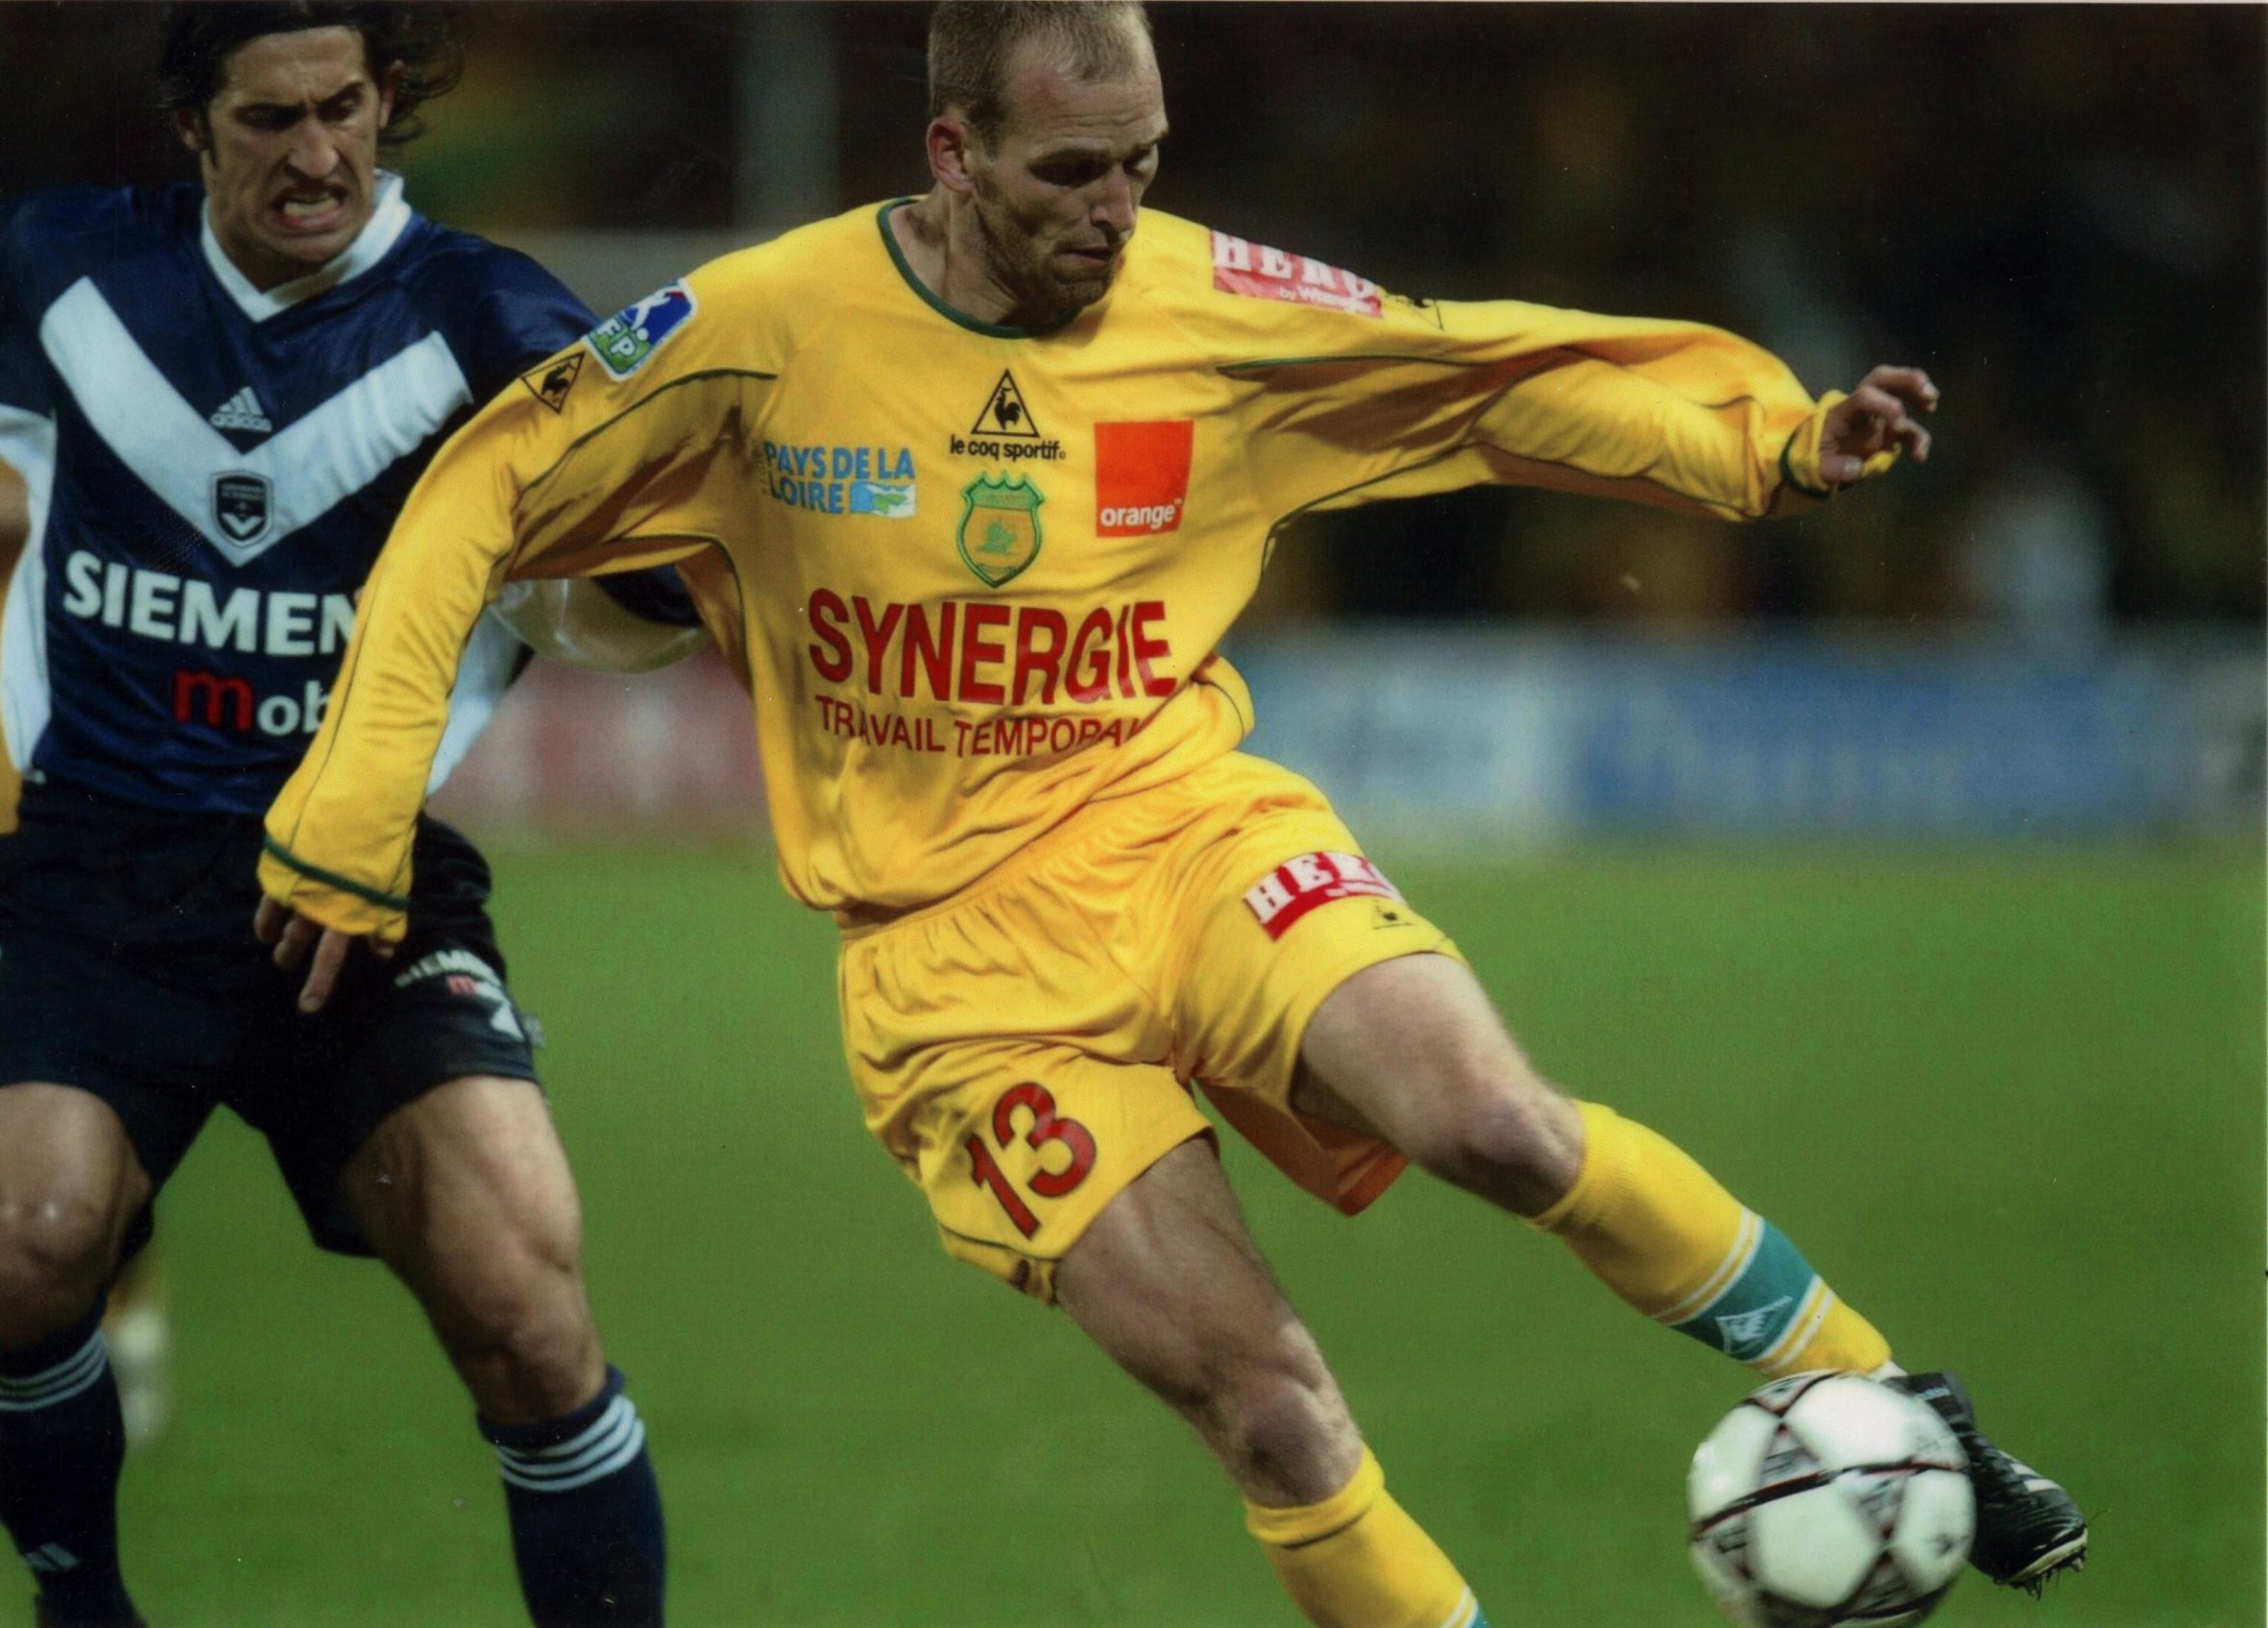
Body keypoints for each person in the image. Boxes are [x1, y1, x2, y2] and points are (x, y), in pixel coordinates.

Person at [255, 4, 2089, 1622]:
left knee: (1496, 1125)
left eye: (1140, 161)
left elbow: (1478, 382)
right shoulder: (760, 331)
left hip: (1182, 823)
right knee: (1272, 1412)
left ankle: (1901, 1409)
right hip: (954, 974)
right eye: (1070, 169)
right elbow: (484, 486)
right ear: (952, 153)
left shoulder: (1207, 305)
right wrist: (353, 809)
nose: (1114, 208)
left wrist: (1765, 448)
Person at [0, 6, 702, 1623]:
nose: (316, 155)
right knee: (26, 1242)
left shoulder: (495, 322)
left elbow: (654, 583)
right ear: (192, 126)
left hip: (357, 891)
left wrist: (664, 560)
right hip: (100, 873)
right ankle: (84, 1608)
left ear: (387, 100)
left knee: (525, 1302)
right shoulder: (60, 267)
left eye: (343, 108)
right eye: (268, 121)